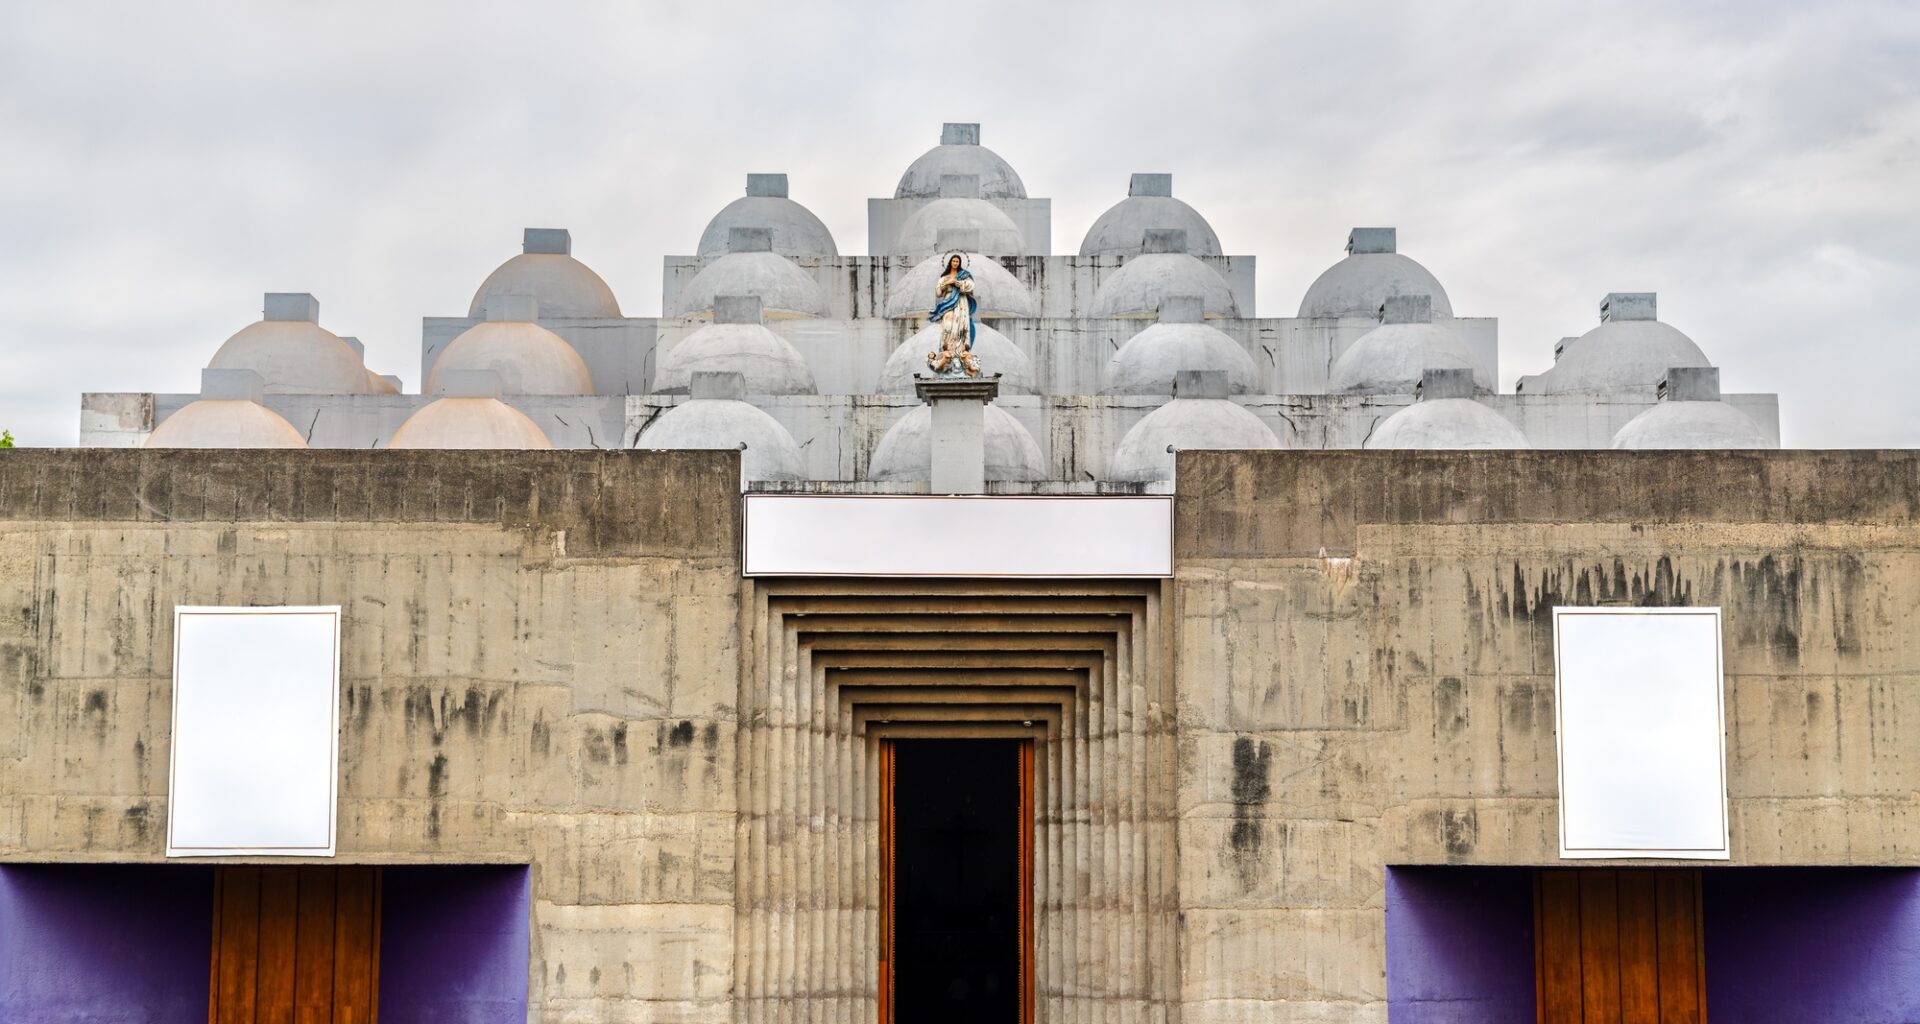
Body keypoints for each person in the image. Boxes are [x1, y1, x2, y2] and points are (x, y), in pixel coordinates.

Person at [925, 252, 982, 377]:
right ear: (950, 262)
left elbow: (970, 286)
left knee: (961, 327)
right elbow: (938, 293)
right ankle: (947, 351)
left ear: (959, 263)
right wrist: (945, 284)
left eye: (957, 261)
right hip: (948, 304)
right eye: (953, 261)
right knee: (948, 326)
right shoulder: (943, 278)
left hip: (961, 304)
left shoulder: (964, 276)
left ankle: (960, 353)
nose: (955, 263)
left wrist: (956, 282)